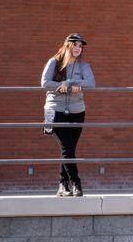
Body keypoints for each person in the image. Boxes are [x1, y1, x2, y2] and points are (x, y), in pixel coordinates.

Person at [41, 33, 95, 197]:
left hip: (77, 111)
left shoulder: (83, 65)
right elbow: (44, 83)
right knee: (67, 148)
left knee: (68, 149)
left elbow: (91, 83)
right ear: (67, 45)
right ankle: (76, 183)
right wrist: (60, 84)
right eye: (75, 44)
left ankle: (62, 185)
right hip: (55, 110)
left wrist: (70, 83)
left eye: (80, 46)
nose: (78, 48)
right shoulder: (54, 62)